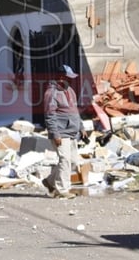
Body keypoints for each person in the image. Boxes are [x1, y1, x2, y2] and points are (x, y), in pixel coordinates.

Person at [42, 64, 86, 200]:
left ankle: (49, 181)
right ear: (61, 77)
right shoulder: (51, 93)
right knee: (65, 160)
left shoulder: (70, 90)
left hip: (72, 132)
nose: (72, 80)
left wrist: (81, 127)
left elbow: (74, 111)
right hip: (61, 133)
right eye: (69, 78)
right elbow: (50, 116)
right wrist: (55, 134)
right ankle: (62, 189)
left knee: (72, 162)